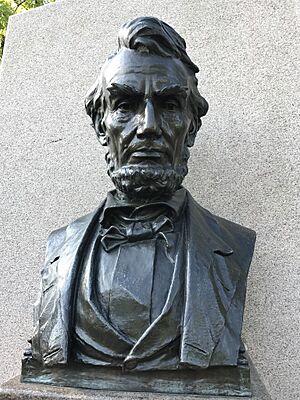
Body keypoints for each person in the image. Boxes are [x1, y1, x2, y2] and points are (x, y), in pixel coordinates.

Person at [29, 17, 256, 372]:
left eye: (167, 105)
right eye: (124, 104)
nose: (148, 126)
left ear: (191, 126)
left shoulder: (233, 247)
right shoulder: (60, 249)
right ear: (100, 125)